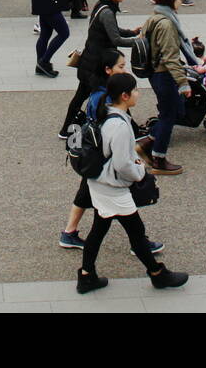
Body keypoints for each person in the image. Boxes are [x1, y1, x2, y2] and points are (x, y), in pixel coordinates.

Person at [76, 72, 188, 294]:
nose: (138, 93)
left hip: (98, 183)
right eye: (135, 90)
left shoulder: (106, 114)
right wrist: (139, 171)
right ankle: (158, 274)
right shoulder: (119, 125)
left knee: (99, 230)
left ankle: (87, 276)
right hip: (112, 187)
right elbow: (122, 163)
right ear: (125, 95)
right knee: (136, 232)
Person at [61, 49, 161, 252]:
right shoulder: (106, 98)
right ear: (108, 70)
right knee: (122, 202)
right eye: (121, 67)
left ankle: (70, 234)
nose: (124, 70)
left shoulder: (102, 91)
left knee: (90, 197)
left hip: (95, 158)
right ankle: (140, 245)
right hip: (104, 161)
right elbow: (113, 140)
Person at [63, 0, 141, 138]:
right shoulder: (107, 12)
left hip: (89, 61)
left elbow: (113, 29)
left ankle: (66, 130)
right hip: (97, 65)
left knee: (80, 97)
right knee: (115, 95)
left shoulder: (102, 5)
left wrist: (132, 33)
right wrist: (139, 42)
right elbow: (115, 38)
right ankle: (131, 130)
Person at [140, 0, 191, 176]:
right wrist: (183, 83)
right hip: (164, 74)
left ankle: (147, 143)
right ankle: (158, 159)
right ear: (172, 0)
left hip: (154, 72)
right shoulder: (167, 23)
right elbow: (170, 58)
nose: (180, 1)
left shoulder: (154, 18)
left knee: (175, 110)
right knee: (169, 115)